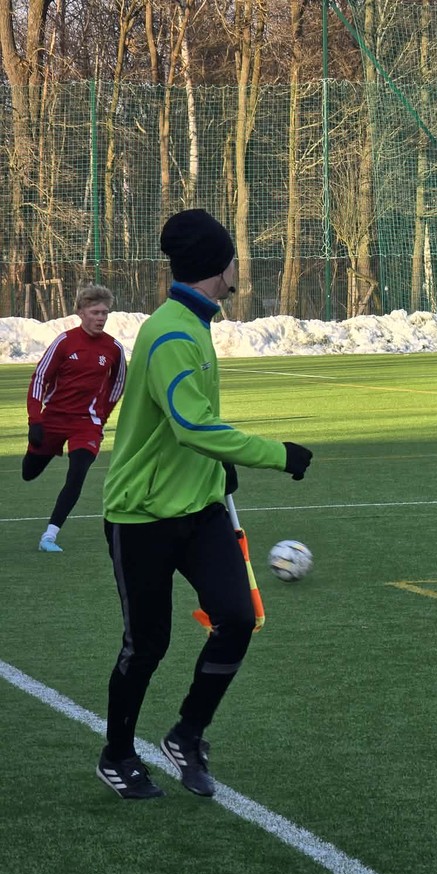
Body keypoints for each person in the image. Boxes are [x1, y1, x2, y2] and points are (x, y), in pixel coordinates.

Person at [96, 208, 314, 799]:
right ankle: (117, 754)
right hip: (142, 516)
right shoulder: (172, 332)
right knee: (147, 645)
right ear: (220, 266)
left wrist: (218, 468)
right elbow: (192, 426)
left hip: (201, 509)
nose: (238, 266)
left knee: (237, 619)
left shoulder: (194, 323)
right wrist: (278, 454)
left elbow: (191, 423)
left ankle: (187, 734)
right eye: (233, 258)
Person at [23, 284, 127, 552]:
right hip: (53, 419)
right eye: (95, 312)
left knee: (77, 473)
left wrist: (100, 419)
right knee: (28, 473)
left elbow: (117, 386)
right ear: (81, 312)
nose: (101, 318)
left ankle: (49, 536)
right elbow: (39, 379)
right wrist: (35, 420)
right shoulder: (64, 342)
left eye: (105, 313)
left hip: (87, 424)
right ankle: (40, 451)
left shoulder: (114, 349)